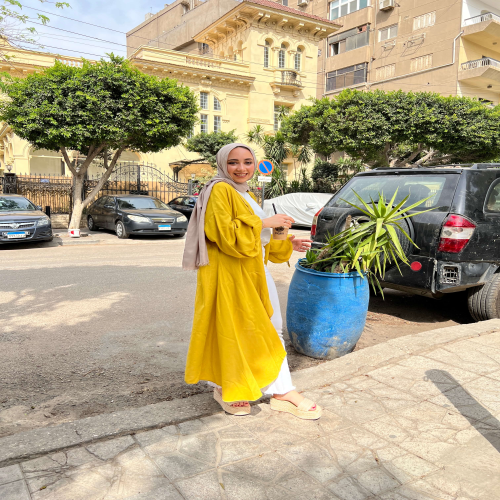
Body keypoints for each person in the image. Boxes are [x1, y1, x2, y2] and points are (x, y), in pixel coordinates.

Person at [183, 143, 322, 419]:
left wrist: (285, 239)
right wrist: (265, 224)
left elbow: (255, 242)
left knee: (270, 326)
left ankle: (278, 389)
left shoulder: (245, 195)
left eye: (248, 162)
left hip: (253, 270)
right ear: (223, 164)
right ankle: (236, 387)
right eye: (234, 162)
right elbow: (223, 233)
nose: (242, 168)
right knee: (234, 327)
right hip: (228, 274)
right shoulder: (219, 190)